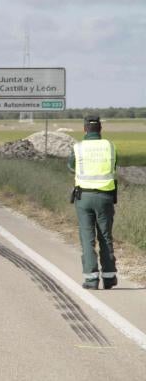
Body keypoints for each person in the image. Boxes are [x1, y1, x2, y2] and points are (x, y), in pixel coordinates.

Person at [68, 115, 118, 290]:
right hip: (105, 197)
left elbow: (70, 166)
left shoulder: (78, 147)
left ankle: (91, 279)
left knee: (87, 237)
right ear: (100, 129)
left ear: (84, 129)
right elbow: (114, 166)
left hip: (84, 197)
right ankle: (109, 278)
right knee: (105, 236)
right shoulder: (110, 146)